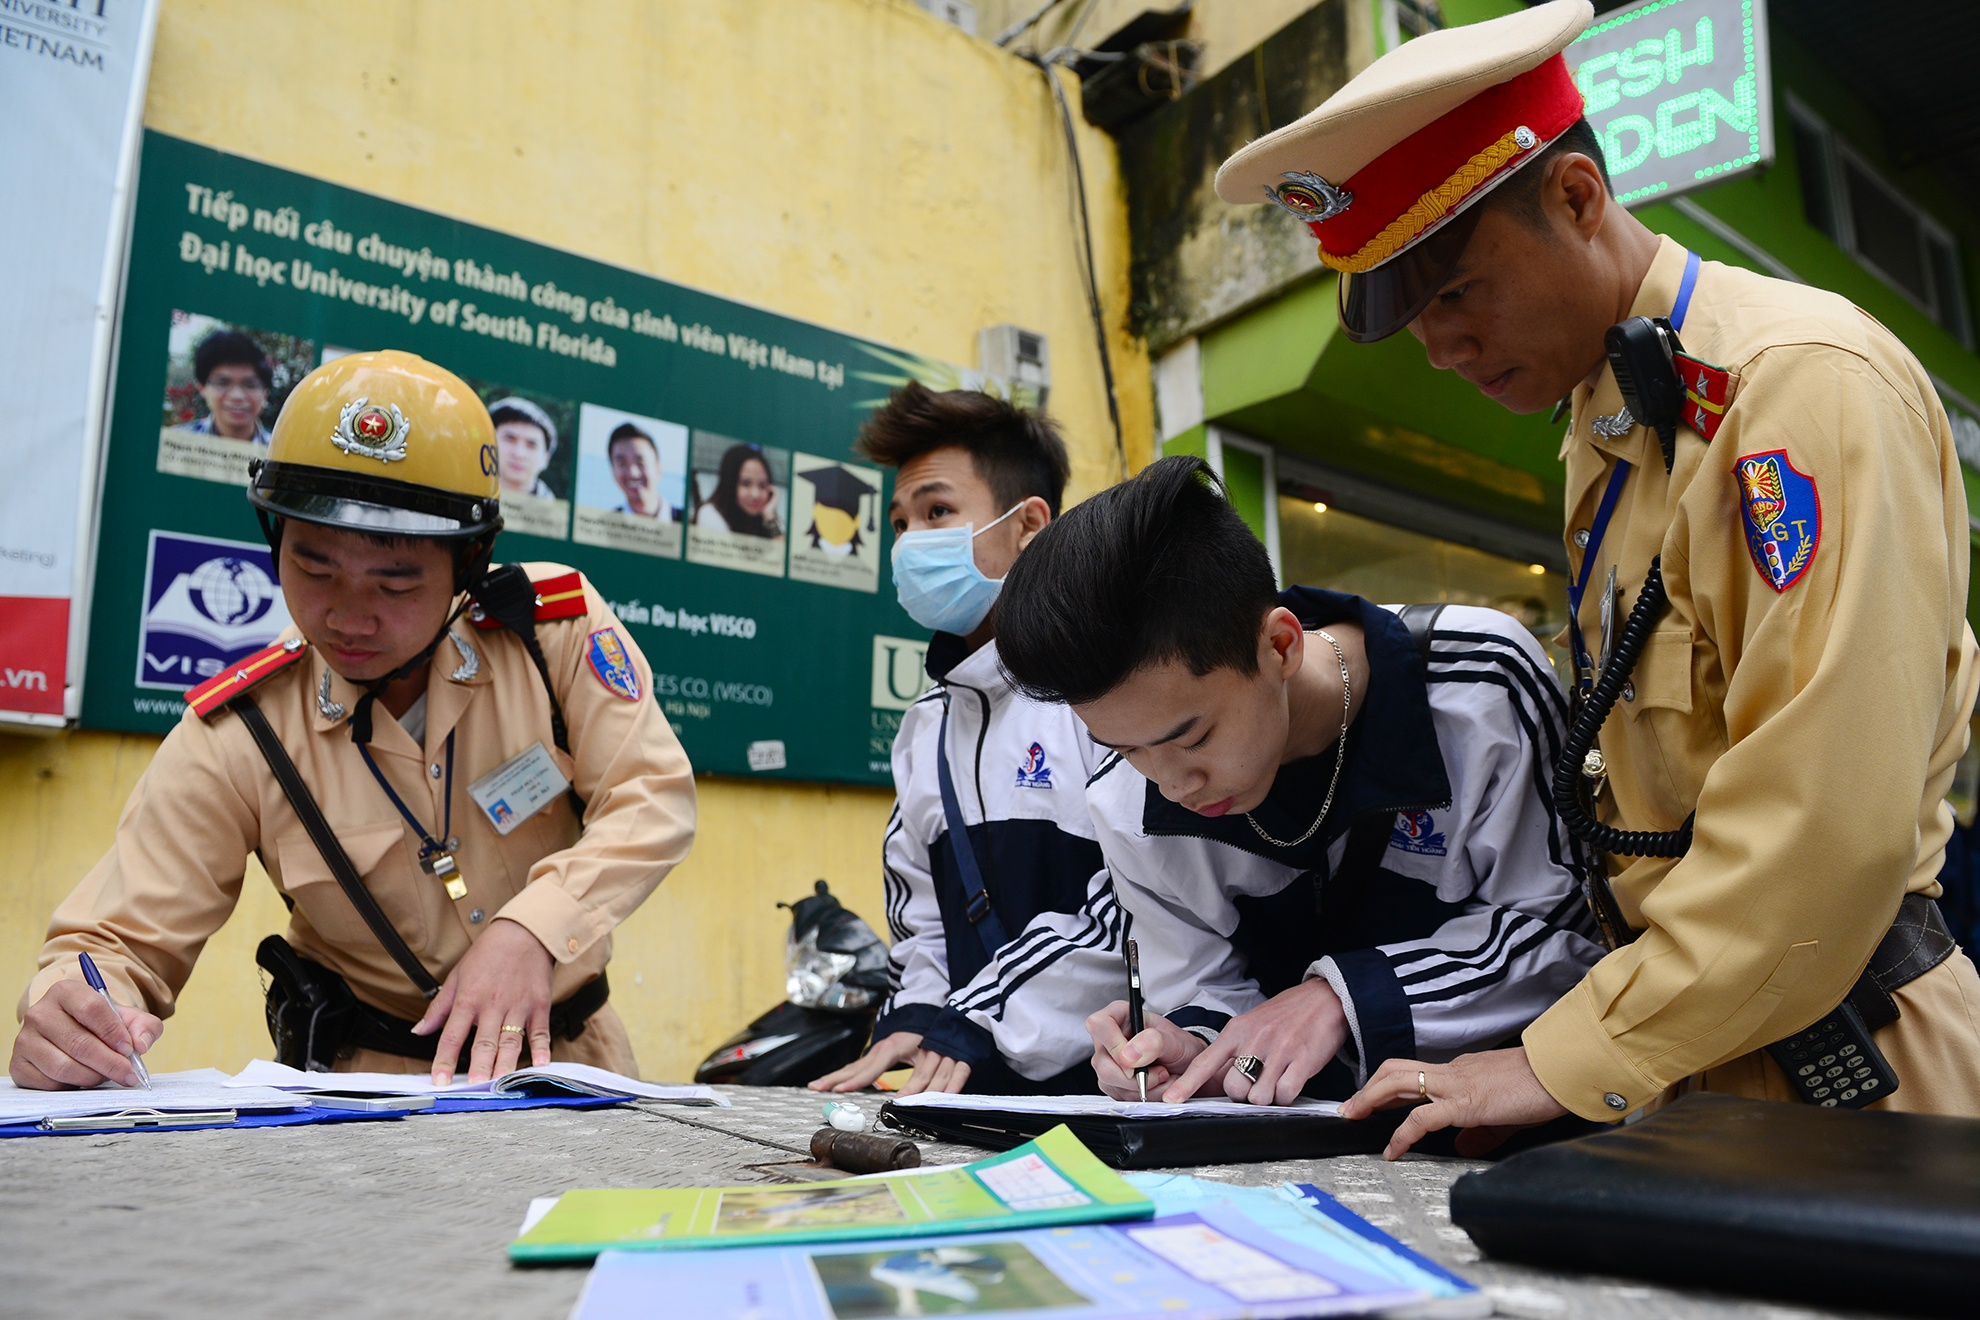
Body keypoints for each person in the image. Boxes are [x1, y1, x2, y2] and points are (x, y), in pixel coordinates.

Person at [1208, 0, 1980, 1151]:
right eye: (1412, 319)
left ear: (1576, 197)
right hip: (1690, 1063)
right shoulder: (1607, 420)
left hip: (1855, 1079)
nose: (1442, 348)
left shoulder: (1798, 389)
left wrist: (1562, 1059)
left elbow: (1827, 826)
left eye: (1457, 290)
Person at [11, 350, 697, 1090]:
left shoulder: (548, 635)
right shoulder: (244, 731)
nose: (347, 614)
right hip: (367, 1099)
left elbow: (651, 797)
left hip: (571, 1066)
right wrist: (75, 1009)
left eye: (396, 579)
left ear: (468, 565)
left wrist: (535, 925)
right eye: (313, 568)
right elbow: (117, 939)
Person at [996, 456, 1604, 1110]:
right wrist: (1184, 1045)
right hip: (1292, 1161)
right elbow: (1202, 987)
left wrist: (1340, 997)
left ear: (1281, 647)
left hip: (1505, 1139)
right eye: (1123, 747)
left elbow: (1571, 933)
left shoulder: (1478, 686)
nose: (1170, 783)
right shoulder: (1125, 800)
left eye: (1191, 737)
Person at [807, 383, 1124, 1096]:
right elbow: (919, 918)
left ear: (1030, 524)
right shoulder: (927, 726)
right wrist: (917, 1013)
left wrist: (980, 1018)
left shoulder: (1110, 695)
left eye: (938, 511)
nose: (912, 542)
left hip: (1116, 1099)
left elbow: (1133, 911)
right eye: (900, 522)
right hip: (970, 1103)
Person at [176, 329, 273, 444]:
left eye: (250, 385)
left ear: (265, 392)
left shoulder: (282, 454)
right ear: (202, 388)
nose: (237, 396)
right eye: (223, 383)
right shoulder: (176, 444)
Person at [695, 443, 781, 537]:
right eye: (746, 484)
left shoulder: (763, 519)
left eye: (762, 485)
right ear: (730, 483)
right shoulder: (709, 514)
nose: (755, 494)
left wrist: (770, 518)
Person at [490, 395, 560, 499]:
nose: (519, 454)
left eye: (531, 445)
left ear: (546, 458)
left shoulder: (559, 514)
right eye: (510, 439)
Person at [607, 422, 677, 520]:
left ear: (658, 469)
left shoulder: (690, 521)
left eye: (641, 463)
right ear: (613, 472)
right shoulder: (603, 527)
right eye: (622, 464)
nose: (632, 473)